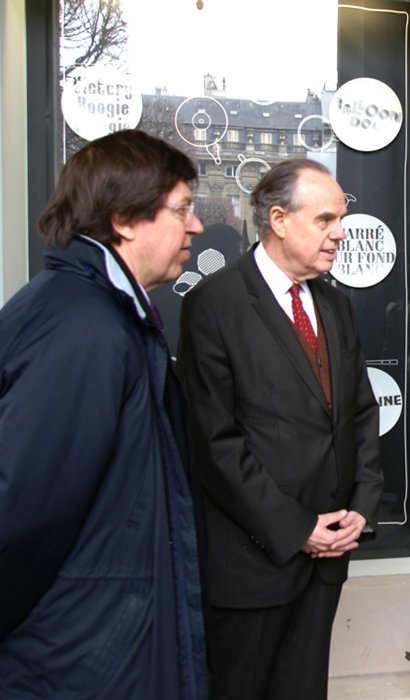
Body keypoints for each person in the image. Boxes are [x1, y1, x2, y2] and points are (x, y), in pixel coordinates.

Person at [0, 129, 207, 698]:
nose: (196, 226)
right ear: (124, 219)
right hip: (80, 653)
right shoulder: (86, 330)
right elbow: (27, 509)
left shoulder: (102, 314)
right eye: (182, 209)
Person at [177, 158, 383, 700]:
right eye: (325, 220)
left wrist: (361, 505)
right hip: (253, 563)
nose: (340, 232)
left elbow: (360, 413)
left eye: (340, 218)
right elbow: (216, 446)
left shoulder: (336, 305)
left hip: (327, 558)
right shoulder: (214, 305)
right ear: (278, 219)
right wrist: (296, 529)